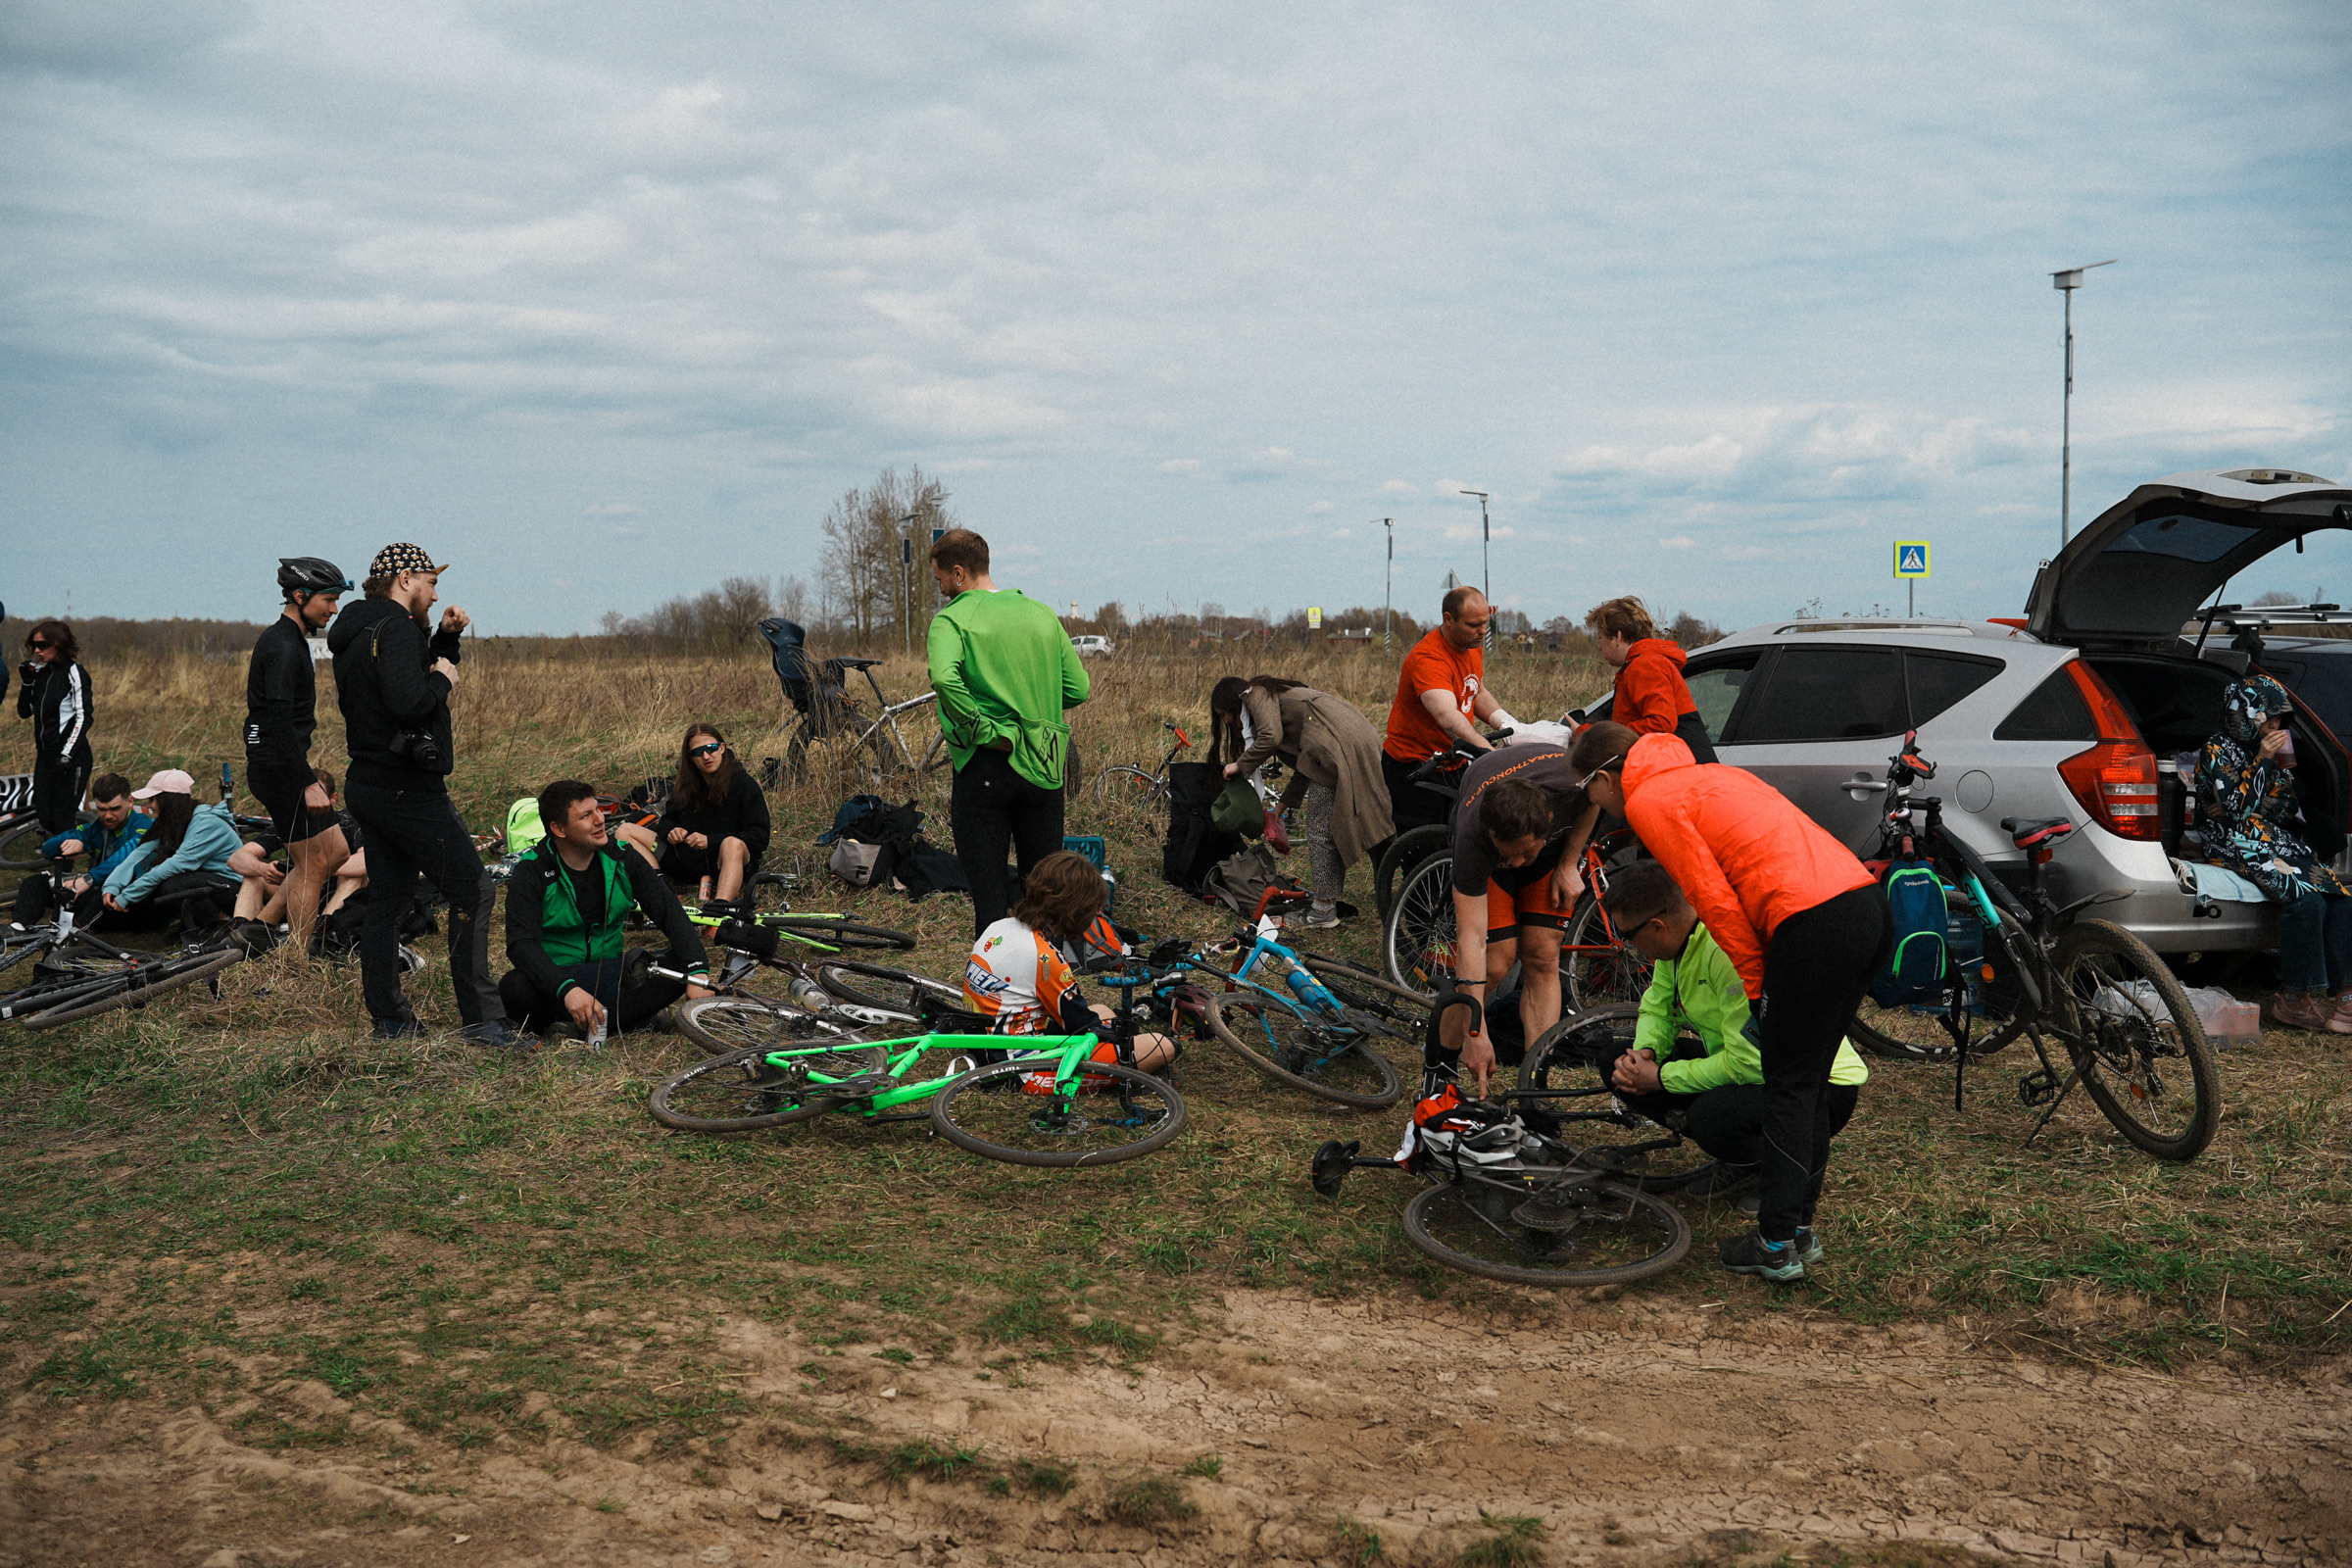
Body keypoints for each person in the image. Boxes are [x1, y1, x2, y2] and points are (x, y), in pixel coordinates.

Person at [1571, 719, 1886, 1283]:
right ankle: (1797, 1232)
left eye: (1586, 790)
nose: (1593, 805)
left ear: (1607, 775)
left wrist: (1759, 989)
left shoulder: (1650, 801)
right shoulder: (1705, 775)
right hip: (1860, 902)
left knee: (1789, 1087)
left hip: (1805, 919)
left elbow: (1713, 901)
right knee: (1804, 1082)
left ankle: (1775, 1242)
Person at [1598, 861, 1870, 1235]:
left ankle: (1770, 1166)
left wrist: (1661, 1077)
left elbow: (1749, 1064)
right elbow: (1657, 1005)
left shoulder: (1727, 952)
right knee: (1614, 1062)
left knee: (1712, 1116)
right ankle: (1743, 1158)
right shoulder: (1677, 943)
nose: (1627, 945)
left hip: (1819, 1086)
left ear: (1657, 926)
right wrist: (1646, 1053)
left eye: (1627, 935)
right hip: (1752, 1066)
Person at [327, 542, 514, 1044]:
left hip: (366, 781)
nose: (436, 593)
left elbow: (394, 683)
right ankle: (483, 1020)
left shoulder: (358, 629)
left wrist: (446, 640)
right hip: (407, 789)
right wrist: (443, 680)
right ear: (406, 578)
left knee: (388, 899)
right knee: (472, 889)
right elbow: (411, 701)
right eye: (431, 581)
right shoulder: (397, 629)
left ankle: (390, 1020)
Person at [926, 528, 1091, 936]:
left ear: (959, 572)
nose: (941, 588)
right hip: (1043, 767)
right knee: (1045, 898)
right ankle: (1044, 987)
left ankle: (994, 992)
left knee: (989, 901)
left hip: (986, 765)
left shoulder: (951, 620)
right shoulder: (1041, 615)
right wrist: (1036, 703)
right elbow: (1078, 688)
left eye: (940, 579)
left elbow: (945, 680)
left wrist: (981, 727)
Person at [2193, 674, 2352, 1033]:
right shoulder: (2217, 749)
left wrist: (2252, 793)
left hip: (2274, 839)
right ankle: (2295, 999)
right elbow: (2234, 813)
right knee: (2305, 900)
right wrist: (2262, 763)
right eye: (2270, 719)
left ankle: (2347, 997)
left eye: (2280, 721)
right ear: (2246, 715)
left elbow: (2284, 805)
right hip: (2232, 842)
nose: (2276, 727)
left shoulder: (2272, 754)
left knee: (2337, 895)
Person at [501, 779, 714, 1039]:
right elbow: (521, 945)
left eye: (598, 810)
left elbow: (668, 910)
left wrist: (697, 973)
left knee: (682, 962)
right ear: (558, 829)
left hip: (611, 972)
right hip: (558, 980)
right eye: (586, 816)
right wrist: (567, 990)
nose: (600, 820)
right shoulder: (532, 869)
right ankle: (630, 1019)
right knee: (514, 987)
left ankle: (578, 1027)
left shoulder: (622, 856)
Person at [1440, 745, 1592, 1089]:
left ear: (1550, 823)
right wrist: (1476, 1032)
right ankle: (1439, 1063)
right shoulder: (1475, 840)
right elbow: (1471, 939)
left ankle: (1534, 1083)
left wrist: (1569, 862)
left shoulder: (1572, 790)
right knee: (1495, 961)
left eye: (1526, 852)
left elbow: (1594, 801)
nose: (1519, 862)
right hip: (1488, 852)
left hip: (1552, 851)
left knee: (1542, 957)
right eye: (1511, 855)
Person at [963, 850, 1175, 1072]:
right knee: (1163, 1046)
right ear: (1075, 910)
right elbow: (1081, 1025)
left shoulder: (998, 927)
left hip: (986, 1044)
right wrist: (1121, 1038)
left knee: (1104, 1011)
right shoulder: (1045, 957)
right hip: (1022, 1066)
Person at [1210, 675, 1394, 929]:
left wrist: (1239, 765)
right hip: (1357, 735)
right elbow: (1306, 766)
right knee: (1373, 824)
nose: (1228, 721)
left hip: (1335, 744)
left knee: (1321, 830)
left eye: (1223, 714)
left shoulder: (1254, 694)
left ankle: (1322, 911)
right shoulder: (1280, 698)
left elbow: (1271, 736)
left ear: (1231, 701)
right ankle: (1394, 899)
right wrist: (1280, 808)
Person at [246, 558, 355, 956]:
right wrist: (307, 781)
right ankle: (296, 960)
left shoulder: (291, 641)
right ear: (299, 596)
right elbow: (276, 721)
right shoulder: (283, 647)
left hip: (284, 765)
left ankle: (259, 927)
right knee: (311, 866)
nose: (334, 609)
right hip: (280, 771)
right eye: (328, 599)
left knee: (338, 853)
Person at [1381, 588, 1519, 835]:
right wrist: (1485, 751)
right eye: (1474, 624)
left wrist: (1508, 724)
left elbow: (1476, 690)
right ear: (1448, 619)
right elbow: (1446, 715)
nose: (1483, 631)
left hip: (1452, 759)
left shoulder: (1471, 644)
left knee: (1459, 835)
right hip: (1415, 764)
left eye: (1486, 623)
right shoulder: (1429, 658)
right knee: (1426, 847)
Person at [228, 767, 368, 949]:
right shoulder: (291, 824)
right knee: (254, 877)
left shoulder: (350, 822)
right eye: (303, 799)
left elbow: (366, 861)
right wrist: (263, 869)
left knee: (354, 876)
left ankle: (319, 937)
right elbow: (237, 858)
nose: (309, 804)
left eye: (316, 796)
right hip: (295, 893)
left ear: (333, 799)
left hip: (335, 897)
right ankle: (239, 937)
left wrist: (316, 869)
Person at [98, 770, 242, 933]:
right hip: (214, 883)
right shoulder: (177, 819)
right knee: (161, 879)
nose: (148, 805)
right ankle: (193, 925)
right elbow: (139, 854)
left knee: (171, 884)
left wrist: (128, 896)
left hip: (237, 892)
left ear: (168, 800)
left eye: (152, 799)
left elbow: (177, 864)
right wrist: (112, 886)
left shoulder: (206, 823)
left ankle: (223, 925)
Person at [1584, 596, 1718, 764]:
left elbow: (1661, 723)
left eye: (1601, 637)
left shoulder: (1645, 664)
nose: (1600, 645)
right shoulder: (1644, 663)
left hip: (1685, 775)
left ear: (1617, 637)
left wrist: (1604, 737)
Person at [648, 723, 770, 904]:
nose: (706, 756)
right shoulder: (684, 785)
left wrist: (711, 841)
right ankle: (661, 889)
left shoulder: (743, 783)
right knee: (626, 831)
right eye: (698, 752)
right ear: (690, 758)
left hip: (727, 862)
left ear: (722, 748)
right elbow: (666, 821)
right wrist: (672, 831)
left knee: (732, 844)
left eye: (711, 748)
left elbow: (760, 837)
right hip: (688, 861)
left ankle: (720, 906)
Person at [10, 772, 147, 929]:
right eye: (101, 809)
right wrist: (76, 843)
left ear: (130, 802)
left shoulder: (142, 824)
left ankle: (69, 936)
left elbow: (128, 856)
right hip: (98, 895)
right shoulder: (97, 828)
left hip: (132, 902)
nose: (108, 816)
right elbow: (48, 849)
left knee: (101, 891)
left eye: (115, 809)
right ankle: (17, 930)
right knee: (35, 882)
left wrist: (88, 879)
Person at [16, 620, 93, 834]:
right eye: (34, 646)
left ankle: (66, 866)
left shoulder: (74, 672)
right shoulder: (41, 673)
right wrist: (27, 683)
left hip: (72, 757)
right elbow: (25, 711)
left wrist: (67, 754)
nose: (37, 651)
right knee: (46, 817)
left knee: (63, 820)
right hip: (46, 756)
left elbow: (84, 717)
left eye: (42, 645)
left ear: (58, 644)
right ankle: (64, 853)